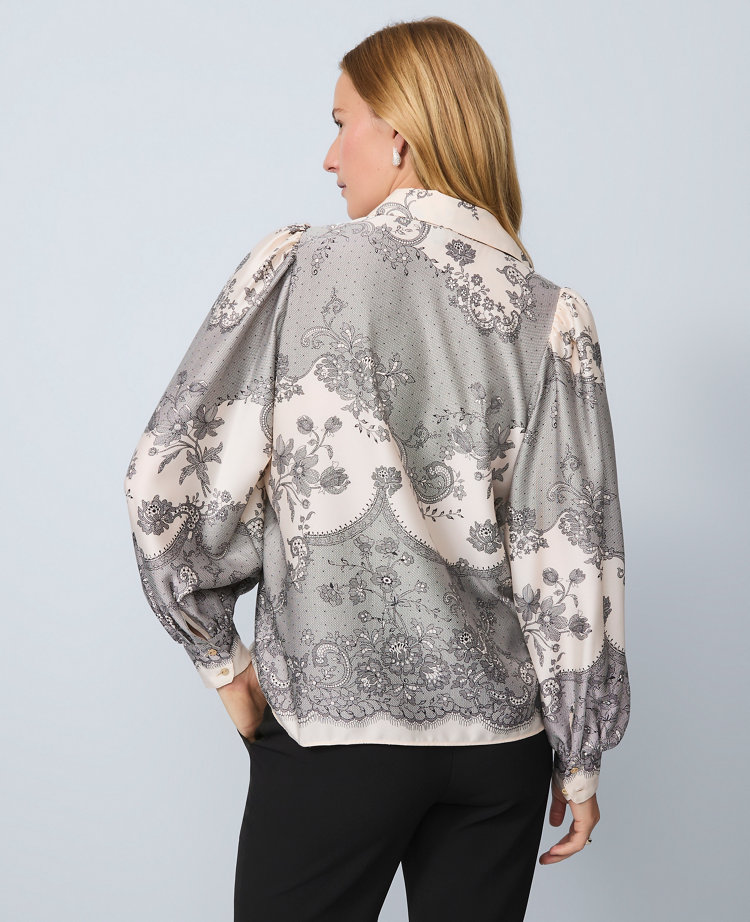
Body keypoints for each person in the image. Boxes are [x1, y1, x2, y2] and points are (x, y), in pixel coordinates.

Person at [123, 15, 630, 922]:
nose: (329, 157)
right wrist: (580, 759)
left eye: (340, 122)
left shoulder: (304, 269)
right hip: (501, 751)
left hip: (337, 736)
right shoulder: (550, 315)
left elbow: (167, 477)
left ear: (398, 133)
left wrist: (223, 662)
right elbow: (571, 551)